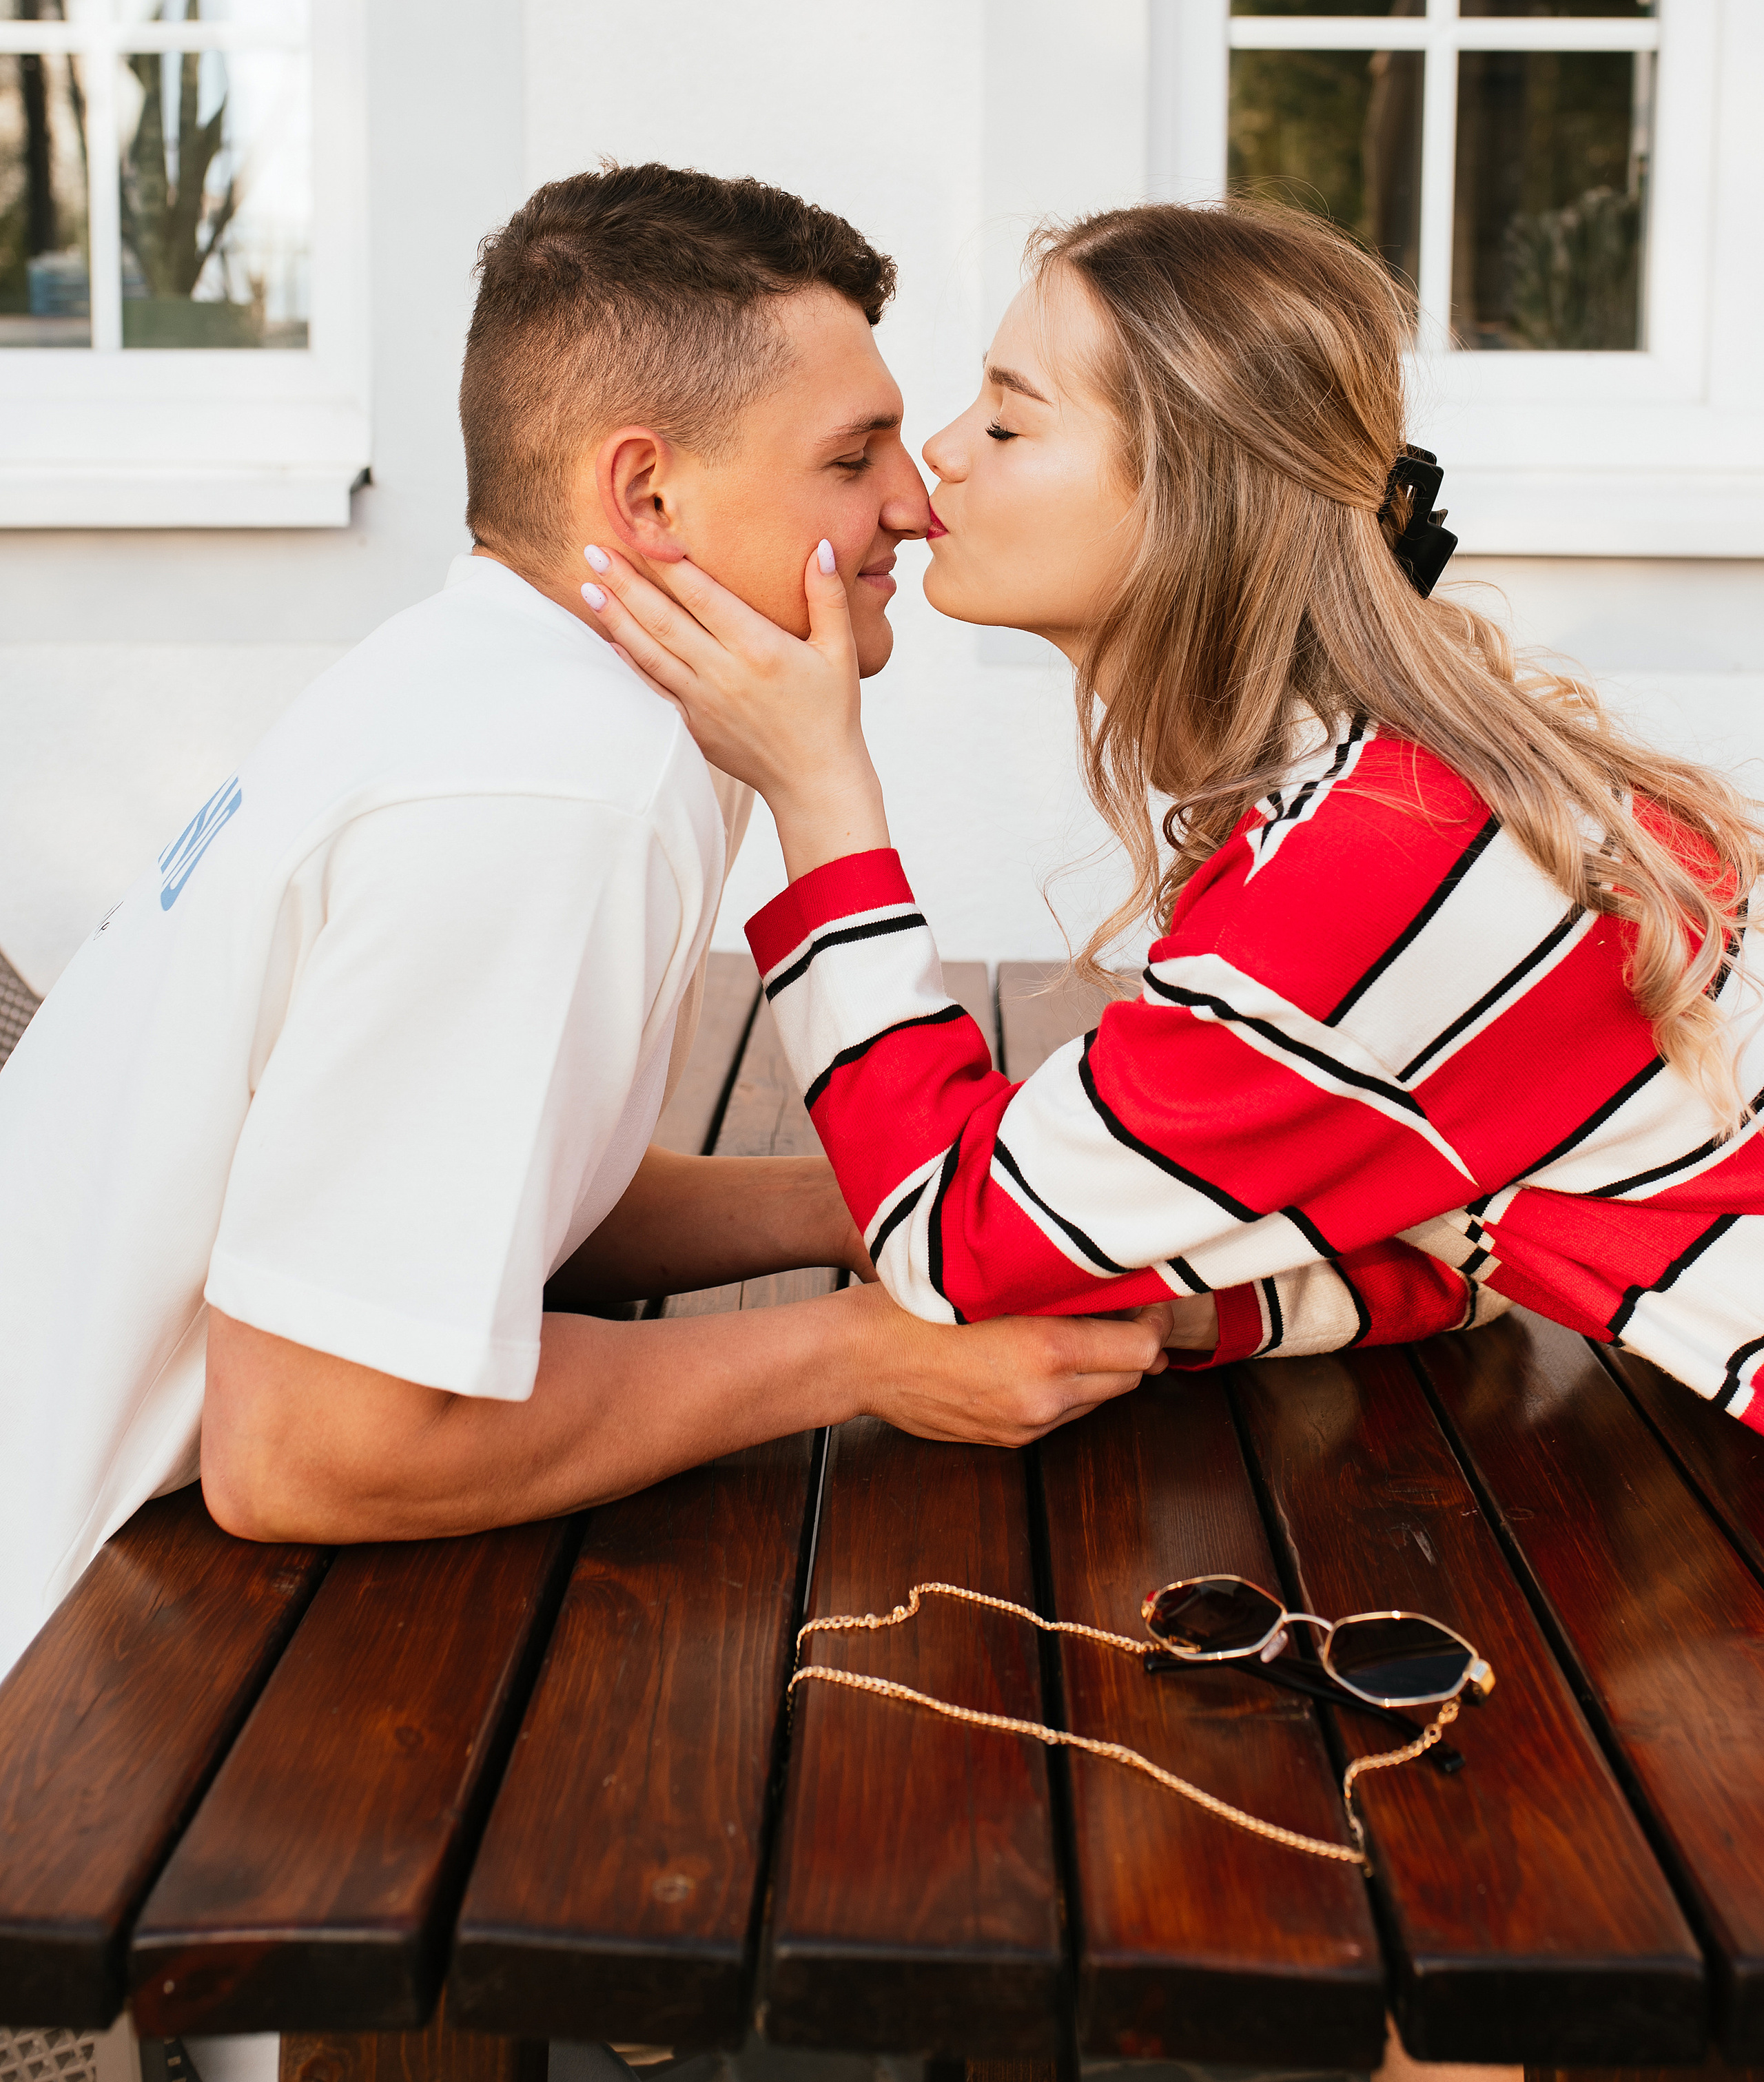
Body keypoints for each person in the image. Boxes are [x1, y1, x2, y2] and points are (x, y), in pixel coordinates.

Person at [0, 164, 1175, 1686]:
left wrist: (892, 1207)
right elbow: (311, 1450)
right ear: (644, 496)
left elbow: (497, 1184)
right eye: (851, 454)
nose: (914, 500)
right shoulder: (555, 786)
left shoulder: (482, 679)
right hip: (68, 1685)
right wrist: (867, 1353)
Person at [586, 196, 1764, 1430]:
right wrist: (1190, 1304)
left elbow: (947, 1242)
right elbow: (1454, 1248)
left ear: (1194, 493)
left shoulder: (1378, 860)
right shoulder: (1391, 795)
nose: (940, 450)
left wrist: (818, 791)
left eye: (1006, 419)